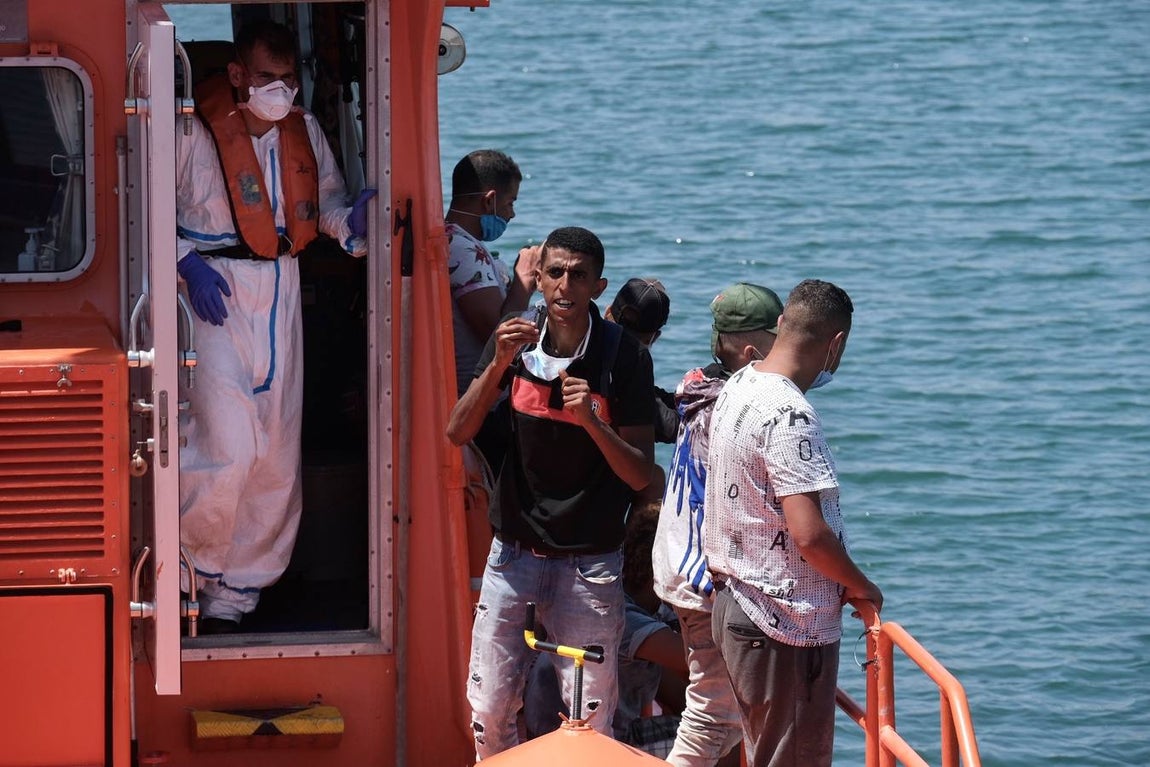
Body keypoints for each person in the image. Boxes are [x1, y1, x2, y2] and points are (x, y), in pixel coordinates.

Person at [175, 19, 376, 634]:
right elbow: (139, 205)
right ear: (237, 75)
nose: (280, 91)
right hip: (208, 292)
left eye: (288, 80)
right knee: (226, 445)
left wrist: (358, 223)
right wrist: (183, 263)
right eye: (267, 78)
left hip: (281, 292)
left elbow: (331, 206)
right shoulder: (191, 131)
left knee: (275, 451)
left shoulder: (305, 130)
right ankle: (190, 573)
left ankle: (235, 597)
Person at [446, 226, 656, 759]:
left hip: (589, 563)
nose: (565, 286)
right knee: (489, 710)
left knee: (588, 717)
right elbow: (456, 431)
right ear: (537, 278)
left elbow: (640, 477)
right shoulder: (513, 341)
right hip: (512, 553)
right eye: (555, 273)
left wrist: (593, 422)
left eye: (579, 276)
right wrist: (496, 363)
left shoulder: (623, 359)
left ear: (598, 286)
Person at [704, 279, 884, 767]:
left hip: (735, 603)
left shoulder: (739, 384)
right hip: (783, 627)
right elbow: (809, 535)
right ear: (836, 345)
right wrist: (861, 585)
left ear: (782, 323)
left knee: (762, 751)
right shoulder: (791, 415)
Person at [652, 282, 784, 767]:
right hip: (705, 578)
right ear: (752, 350)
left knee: (723, 708)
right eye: (779, 340)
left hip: (677, 565)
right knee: (715, 717)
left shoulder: (697, 385)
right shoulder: (733, 411)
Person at [445, 149, 540, 473]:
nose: (512, 215)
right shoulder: (462, 251)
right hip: (484, 409)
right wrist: (524, 280)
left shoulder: (462, 244)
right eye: (510, 203)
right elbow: (496, 333)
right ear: (489, 200)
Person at [604, 277, 678, 445]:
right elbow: (672, 428)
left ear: (607, 312)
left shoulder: (583, 342)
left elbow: (650, 396)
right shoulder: (632, 368)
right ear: (654, 337)